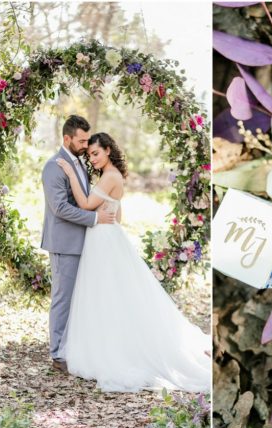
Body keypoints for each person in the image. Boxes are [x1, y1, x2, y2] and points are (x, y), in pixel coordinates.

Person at [55, 131, 211, 392]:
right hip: (105, 235)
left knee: (106, 292)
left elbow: (84, 204)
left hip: (103, 238)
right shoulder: (112, 176)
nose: (91, 159)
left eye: (95, 153)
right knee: (107, 292)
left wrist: (71, 174)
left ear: (107, 150)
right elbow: (118, 214)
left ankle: (113, 348)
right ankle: (104, 341)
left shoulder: (111, 176)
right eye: (89, 154)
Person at [40, 115, 116, 373]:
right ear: (67, 139)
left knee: (78, 298)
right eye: (81, 140)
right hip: (64, 242)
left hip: (83, 242)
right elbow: (60, 207)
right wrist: (95, 218)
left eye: (88, 140)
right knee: (63, 298)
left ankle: (73, 347)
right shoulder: (53, 166)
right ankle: (58, 354)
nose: (85, 145)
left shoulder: (79, 164)